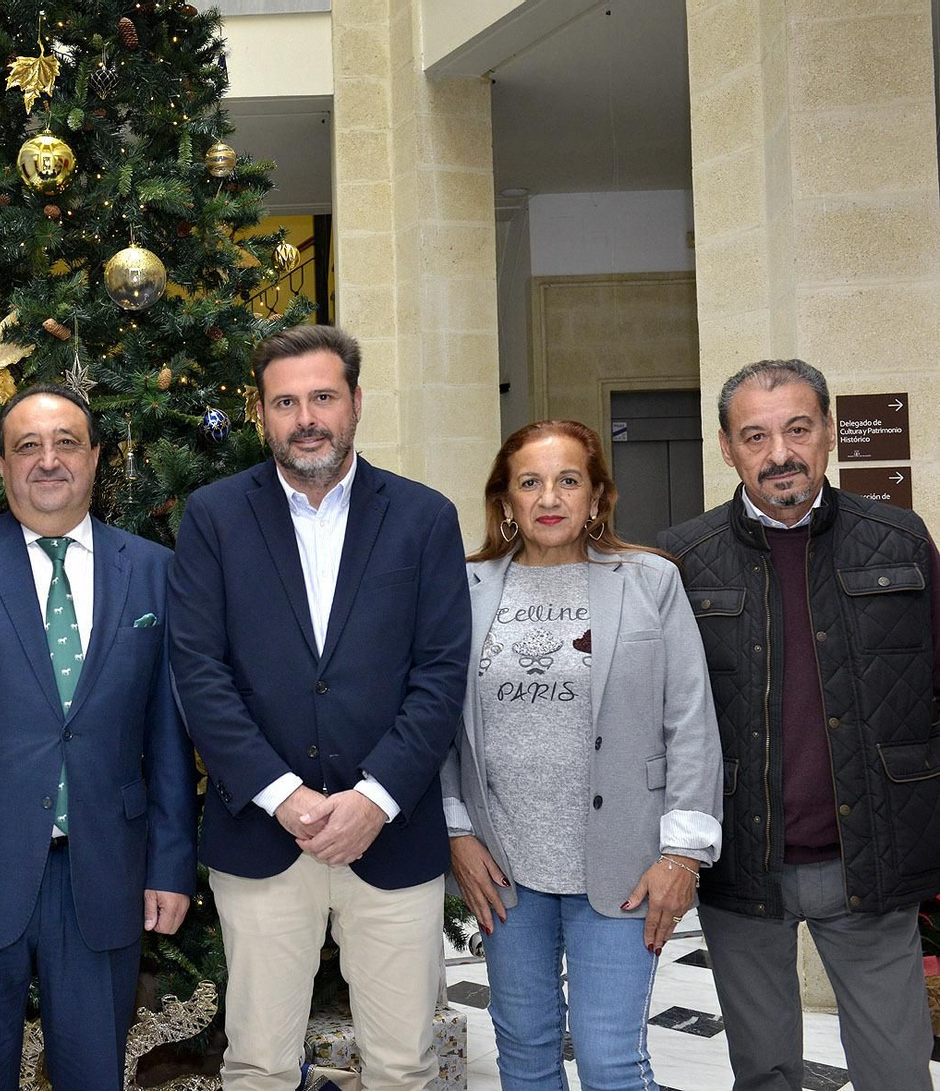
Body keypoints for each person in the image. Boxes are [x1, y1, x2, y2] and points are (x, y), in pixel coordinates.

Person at [168, 325, 471, 1091]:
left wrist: (374, 799)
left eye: (323, 397)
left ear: (357, 403)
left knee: (405, 1063)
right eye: (285, 401)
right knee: (259, 1064)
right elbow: (200, 672)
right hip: (261, 838)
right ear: (261, 413)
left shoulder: (424, 517)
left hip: (392, 837)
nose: (306, 417)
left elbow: (439, 674)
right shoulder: (213, 517)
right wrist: (282, 795)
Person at [0, 385, 197, 1089]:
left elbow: (167, 731)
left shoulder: (151, 568)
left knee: (93, 1076)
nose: (47, 460)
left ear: (95, 458)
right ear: (0, 465)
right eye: (27, 445)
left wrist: (169, 862)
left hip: (103, 876)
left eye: (66, 443)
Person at [658, 360, 940, 1091]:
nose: (779, 452)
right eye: (755, 435)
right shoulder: (679, 561)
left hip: (871, 861)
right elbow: (655, 720)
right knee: (766, 1074)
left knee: (899, 1073)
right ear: (726, 447)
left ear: (828, 434)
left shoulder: (900, 541)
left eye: (797, 429)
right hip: (741, 863)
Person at [442, 419, 723, 1091]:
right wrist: (456, 831)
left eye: (569, 480)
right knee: (526, 1055)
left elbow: (691, 720)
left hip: (624, 864)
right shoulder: (466, 588)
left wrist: (682, 855)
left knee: (612, 1063)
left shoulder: (651, 581)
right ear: (505, 501)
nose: (549, 497)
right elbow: (439, 722)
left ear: (597, 498)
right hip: (506, 867)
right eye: (530, 482)